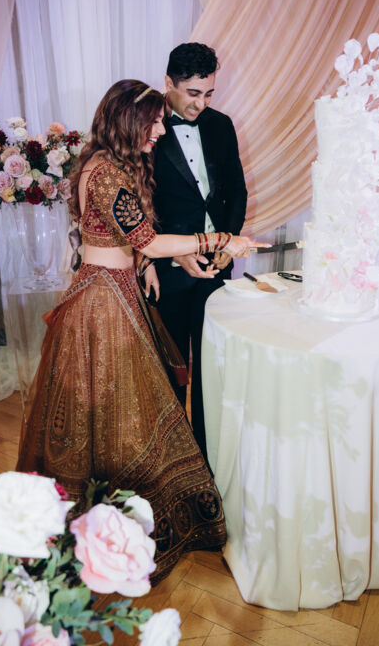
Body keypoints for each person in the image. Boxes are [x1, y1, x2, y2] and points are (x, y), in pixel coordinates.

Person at [16, 80, 266, 582]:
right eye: (152, 122)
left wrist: (144, 265)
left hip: (112, 286)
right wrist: (219, 238)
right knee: (116, 408)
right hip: (103, 303)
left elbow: (118, 238)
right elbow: (147, 240)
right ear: (128, 121)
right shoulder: (108, 174)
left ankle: (109, 516)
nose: (159, 130)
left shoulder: (102, 164)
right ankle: (109, 524)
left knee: (112, 408)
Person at [148, 43, 248, 460]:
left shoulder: (221, 125)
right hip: (167, 270)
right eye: (192, 93)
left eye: (208, 93)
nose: (201, 103)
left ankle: (210, 458)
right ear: (168, 83)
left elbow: (236, 191)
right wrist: (171, 255)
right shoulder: (147, 128)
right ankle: (175, 459)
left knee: (213, 367)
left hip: (216, 265)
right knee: (170, 370)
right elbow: (140, 203)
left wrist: (228, 240)